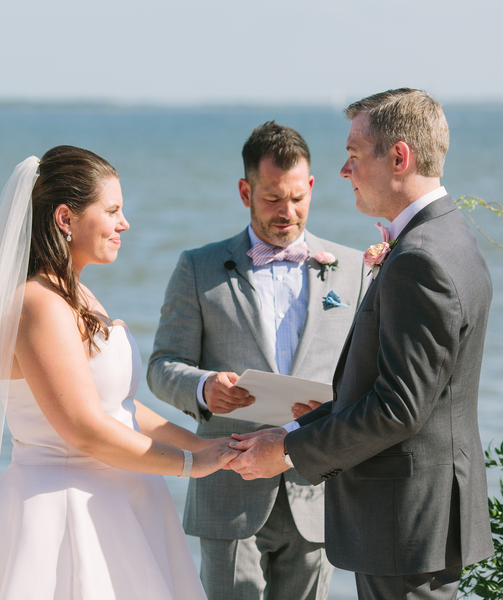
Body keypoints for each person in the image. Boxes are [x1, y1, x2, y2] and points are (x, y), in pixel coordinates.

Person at [0, 146, 239, 600]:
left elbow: (119, 408)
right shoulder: (38, 305)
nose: (124, 223)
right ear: (66, 219)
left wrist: (207, 446)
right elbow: (83, 428)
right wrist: (190, 466)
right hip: (65, 514)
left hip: (118, 501)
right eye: (112, 210)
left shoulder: (78, 295)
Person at [229, 89, 494, 600]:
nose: (344, 172)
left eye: (353, 156)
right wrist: (295, 426)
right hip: (419, 518)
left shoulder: (420, 258)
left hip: (405, 521)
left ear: (399, 157)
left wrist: (286, 450)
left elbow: (397, 409)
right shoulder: (449, 234)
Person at [148, 121, 367, 600]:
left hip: (318, 486)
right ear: (246, 190)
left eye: (297, 197)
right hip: (230, 482)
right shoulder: (197, 267)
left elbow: (367, 374)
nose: (287, 212)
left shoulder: (353, 269)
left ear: (311, 186)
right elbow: (162, 366)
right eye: (271, 198)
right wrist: (205, 388)